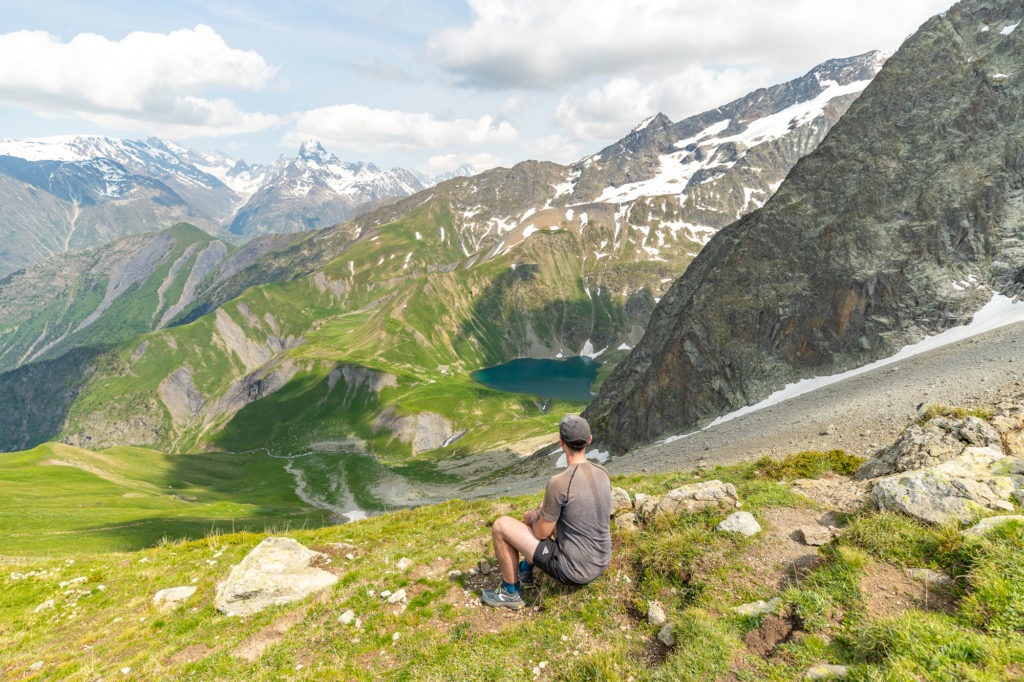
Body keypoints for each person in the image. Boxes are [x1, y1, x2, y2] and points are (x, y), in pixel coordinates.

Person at [481, 414, 611, 609]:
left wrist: (532, 517)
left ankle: (510, 592)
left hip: (574, 570)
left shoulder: (559, 482)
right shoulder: (602, 472)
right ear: (589, 439)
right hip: (602, 559)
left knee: (501, 526)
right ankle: (525, 569)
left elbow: (541, 533)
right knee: (545, 509)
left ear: (561, 443)